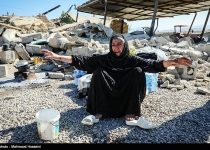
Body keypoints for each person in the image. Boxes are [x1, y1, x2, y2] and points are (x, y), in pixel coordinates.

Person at [40, 34, 192, 129]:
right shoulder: (105, 58)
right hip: (108, 90)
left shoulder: (132, 59)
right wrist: (57, 57)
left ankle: (131, 113)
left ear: (125, 45)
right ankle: (99, 113)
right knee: (98, 71)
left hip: (127, 91)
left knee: (138, 71)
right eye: (113, 45)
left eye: (119, 44)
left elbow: (153, 65)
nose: (116, 47)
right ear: (110, 46)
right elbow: (83, 60)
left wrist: (173, 61)